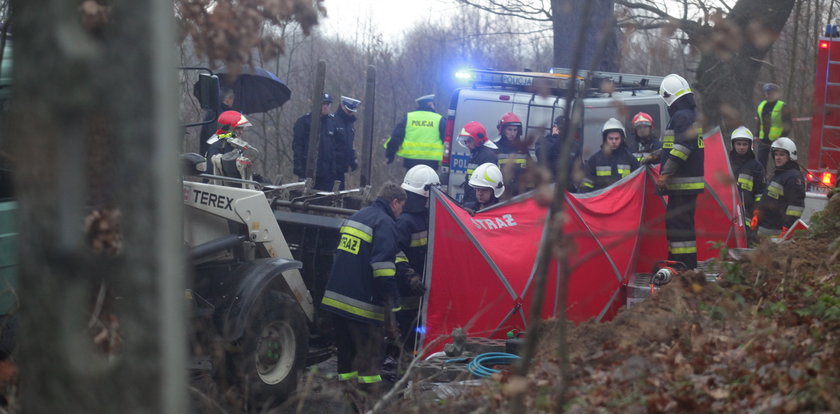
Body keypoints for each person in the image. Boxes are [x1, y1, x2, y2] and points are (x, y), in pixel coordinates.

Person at [320, 182, 406, 390]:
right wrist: (393, 305)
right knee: (369, 366)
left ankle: (349, 401)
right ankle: (368, 402)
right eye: (402, 206)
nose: (401, 212)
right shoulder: (385, 223)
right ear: (395, 202)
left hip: (335, 301)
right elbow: (383, 269)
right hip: (362, 309)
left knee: (346, 360)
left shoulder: (357, 216)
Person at [657, 74, 704, 269]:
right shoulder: (689, 115)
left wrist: (665, 173)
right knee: (681, 228)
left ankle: (681, 267)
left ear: (668, 96)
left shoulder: (681, 116)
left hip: (681, 184)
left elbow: (683, 147)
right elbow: (673, 145)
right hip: (686, 185)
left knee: (679, 228)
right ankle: (681, 264)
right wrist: (655, 155)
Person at [394, 165, 439, 352]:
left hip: (423, 289)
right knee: (408, 332)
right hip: (406, 289)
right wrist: (410, 277)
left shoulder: (428, 216)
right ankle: (406, 364)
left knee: (418, 329)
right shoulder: (405, 221)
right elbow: (395, 252)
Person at [292, 93, 347, 191]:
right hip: (309, 172)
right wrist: (299, 170)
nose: (326, 106)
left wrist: (335, 169)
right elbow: (297, 146)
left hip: (327, 174)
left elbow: (337, 147)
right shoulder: (304, 122)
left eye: (328, 104)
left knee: (325, 202)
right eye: (323, 104)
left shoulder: (332, 123)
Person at [755, 137, 805, 237]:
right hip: (766, 228)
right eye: (776, 154)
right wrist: (758, 214)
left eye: (782, 154)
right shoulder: (779, 174)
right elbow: (769, 198)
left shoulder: (793, 177)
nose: (778, 157)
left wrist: (787, 227)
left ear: (790, 156)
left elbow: (796, 206)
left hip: (777, 231)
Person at [385, 94, 446, 171]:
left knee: (411, 181)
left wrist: (390, 154)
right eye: (434, 104)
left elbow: (396, 137)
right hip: (431, 161)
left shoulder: (408, 118)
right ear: (430, 104)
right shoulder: (439, 119)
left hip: (410, 161)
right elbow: (447, 140)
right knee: (430, 181)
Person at [579, 118, 640, 192]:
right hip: (602, 201)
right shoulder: (594, 160)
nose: (614, 141)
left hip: (623, 201)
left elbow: (638, 181)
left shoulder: (630, 159)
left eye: (617, 139)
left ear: (621, 139)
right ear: (605, 139)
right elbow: (586, 182)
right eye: (610, 139)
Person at [728, 126, 765, 243]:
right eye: (738, 144)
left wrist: (757, 213)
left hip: (747, 215)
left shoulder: (757, 167)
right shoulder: (725, 162)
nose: (741, 147)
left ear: (750, 145)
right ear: (733, 144)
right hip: (726, 210)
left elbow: (760, 193)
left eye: (744, 144)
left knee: (747, 242)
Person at [535, 115, 582, 190]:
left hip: (566, 189)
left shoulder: (574, 146)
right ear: (554, 128)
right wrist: (556, 139)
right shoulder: (543, 141)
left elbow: (578, 168)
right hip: (547, 188)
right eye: (560, 129)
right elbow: (542, 157)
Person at [457, 121, 498, 206]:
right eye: (465, 142)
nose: (466, 144)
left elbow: (484, 186)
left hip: (478, 204)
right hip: (471, 202)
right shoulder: (476, 153)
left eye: (469, 141)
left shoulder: (487, 156)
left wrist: (472, 204)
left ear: (478, 140)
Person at [494, 112, 533, 196]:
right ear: (503, 130)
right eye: (509, 129)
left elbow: (531, 170)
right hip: (500, 193)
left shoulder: (522, 148)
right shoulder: (495, 148)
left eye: (515, 130)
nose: (512, 133)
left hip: (519, 194)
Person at [204, 110, 251, 177]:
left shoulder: (235, 146)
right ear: (226, 128)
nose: (241, 132)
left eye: (242, 129)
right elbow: (211, 173)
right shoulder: (217, 147)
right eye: (238, 128)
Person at [755, 83, 792, 168]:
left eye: (772, 93)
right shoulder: (761, 105)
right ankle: (761, 179)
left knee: (779, 163)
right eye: (768, 93)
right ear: (765, 94)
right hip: (763, 140)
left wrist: (782, 137)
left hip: (778, 140)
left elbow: (788, 124)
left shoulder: (782, 106)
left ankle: (778, 179)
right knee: (761, 163)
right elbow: (759, 122)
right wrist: (757, 135)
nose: (770, 95)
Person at [199, 87, 235, 156]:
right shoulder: (215, 112)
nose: (233, 102)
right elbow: (212, 136)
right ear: (227, 99)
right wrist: (231, 135)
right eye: (232, 99)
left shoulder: (225, 112)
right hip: (212, 153)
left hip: (220, 152)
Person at [334, 96, 361, 180]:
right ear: (342, 106)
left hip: (342, 168)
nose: (350, 113)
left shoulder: (350, 125)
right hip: (331, 168)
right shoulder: (333, 121)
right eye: (348, 110)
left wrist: (352, 160)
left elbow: (349, 145)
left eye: (352, 111)